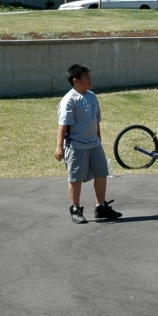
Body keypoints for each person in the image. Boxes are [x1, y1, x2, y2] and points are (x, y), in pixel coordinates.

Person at [55, 64, 122, 224]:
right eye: (87, 78)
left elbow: (96, 120)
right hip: (76, 145)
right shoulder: (69, 100)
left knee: (101, 173)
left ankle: (101, 207)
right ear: (76, 81)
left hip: (94, 144)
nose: (90, 80)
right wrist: (59, 146)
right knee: (75, 178)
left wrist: (98, 138)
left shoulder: (91, 96)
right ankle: (75, 209)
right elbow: (62, 124)